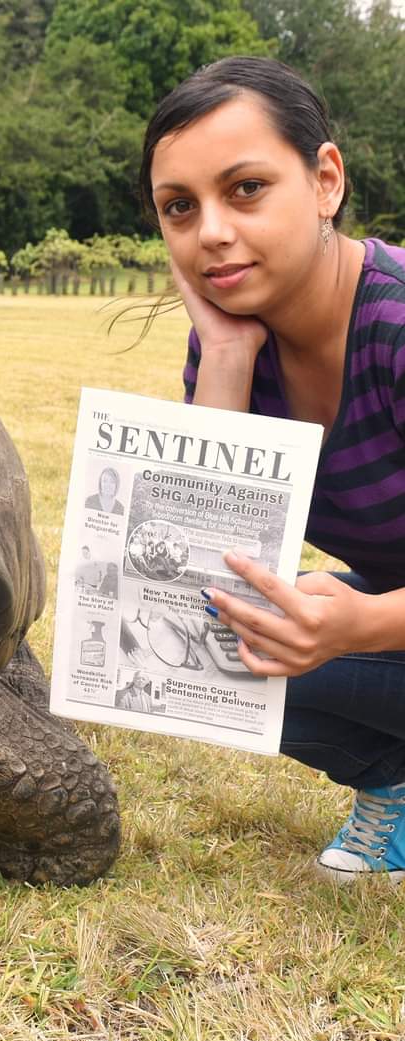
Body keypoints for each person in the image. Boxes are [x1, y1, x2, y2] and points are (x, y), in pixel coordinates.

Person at [141, 56, 405, 882]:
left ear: (325, 180)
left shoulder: (397, 326)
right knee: (202, 645)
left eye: (245, 188)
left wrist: (358, 627)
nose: (210, 231)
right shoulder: (236, 338)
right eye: (179, 208)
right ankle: (392, 786)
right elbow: (198, 569)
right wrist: (222, 356)